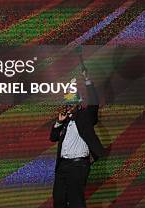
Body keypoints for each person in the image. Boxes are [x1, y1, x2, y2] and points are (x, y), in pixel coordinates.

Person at [50, 70, 104, 207]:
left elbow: (94, 103)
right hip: (63, 165)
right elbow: (53, 137)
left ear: (79, 103)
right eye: (67, 103)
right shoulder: (65, 121)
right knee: (59, 199)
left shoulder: (85, 117)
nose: (69, 106)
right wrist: (58, 122)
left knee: (75, 200)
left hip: (78, 165)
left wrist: (87, 81)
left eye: (72, 103)